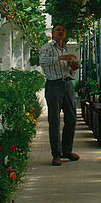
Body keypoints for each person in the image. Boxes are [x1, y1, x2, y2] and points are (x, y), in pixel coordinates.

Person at [38, 23, 80, 166]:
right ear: (53, 33)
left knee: (72, 118)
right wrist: (61, 58)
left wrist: (72, 67)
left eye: (63, 30)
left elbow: (66, 70)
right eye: (58, 30)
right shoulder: (47, 47)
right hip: (54, 85)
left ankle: (67, 151)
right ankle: (56, 154)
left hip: (67, 84)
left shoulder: (65, 49)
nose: (61, 32)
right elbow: (42, 62)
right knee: (54, 120)